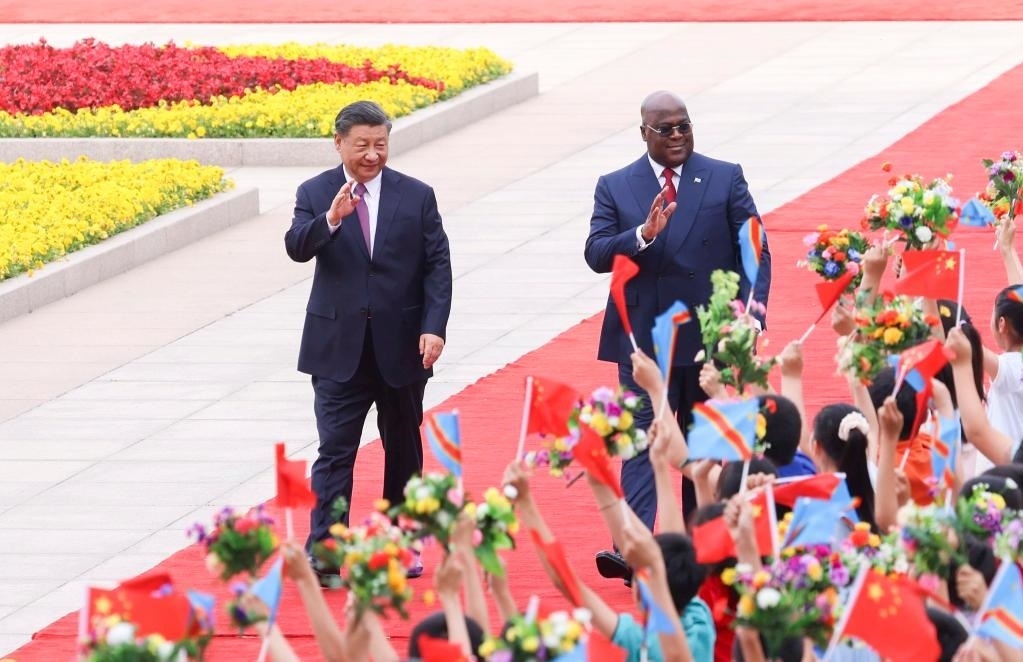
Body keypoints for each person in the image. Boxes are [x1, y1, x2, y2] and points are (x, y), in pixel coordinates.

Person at [583, 90, 771, 581]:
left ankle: (701, 545)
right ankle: (636, 549)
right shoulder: (615, 185)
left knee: (702, 443)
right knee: (642, 441)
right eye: (665, 129)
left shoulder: (725, 176)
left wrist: (750, 316)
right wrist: (643, 235)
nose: (677, 136)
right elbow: (596, 252)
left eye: (684, 125)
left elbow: (754, 247)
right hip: (643, 340)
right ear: (643, 133)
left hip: (708, 337)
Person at [285, 100, 452, 584]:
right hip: (338, 349)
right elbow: (296, 247)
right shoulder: (315, 192)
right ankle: (326, 551)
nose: (373, 155)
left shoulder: (416, 195)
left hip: (403, 347)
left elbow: (437, 265)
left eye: (381, 144)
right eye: (362, 145)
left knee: (403, 449)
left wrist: (434, 326)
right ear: (338, 143)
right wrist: (331, 220)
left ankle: (400, 544)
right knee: (335, 451)